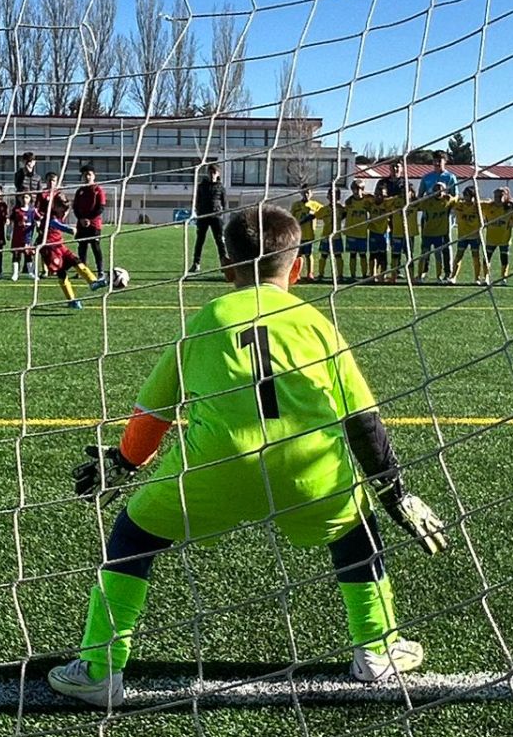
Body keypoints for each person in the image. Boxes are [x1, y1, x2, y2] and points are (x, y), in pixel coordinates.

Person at [52, 204, 449, 707]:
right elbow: (363, 420)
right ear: (298, 265)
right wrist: (395, 490)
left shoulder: (205, 319)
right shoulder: (315, 323)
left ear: (226, 265)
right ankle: (376, 651)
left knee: (132, 537)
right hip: (310, 472)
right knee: (357, 533)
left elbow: (152, 415)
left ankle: (99, 668)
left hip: (216, 469)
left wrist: (124, 463)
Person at [37, 204, 103, 308]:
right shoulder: (50, 217)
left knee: (75, 260)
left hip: (60, 245)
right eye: (63, 210)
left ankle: (93, 282)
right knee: (61, 273)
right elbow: (56, 225)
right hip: (50, 249)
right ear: (56, 207)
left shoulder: (58, 214)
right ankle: (71, 300)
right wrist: (69, 229)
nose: (65, 213)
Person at [189, 162, 228, 274]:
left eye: (214, 173)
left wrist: (222, 213)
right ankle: (196, 264)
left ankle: (224, 264)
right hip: (203, 217)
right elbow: (197, 201)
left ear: (218, 174)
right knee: (200, 241)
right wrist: (198, 211)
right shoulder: (201, 186)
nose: (212, 175)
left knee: (220, 241)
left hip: (216, 217)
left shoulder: (221, 187)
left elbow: (225, 203)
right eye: (210, 172)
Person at [446, 183, 486, 285]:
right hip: (462, 236)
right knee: (459, 256)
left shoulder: (479, 206)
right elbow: (450, 201)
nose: (466, 198)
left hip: (475, 236)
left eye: (468, 195)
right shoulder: (459, 205)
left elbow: (493, 204)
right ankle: (453, 277)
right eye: (465, 195)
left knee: (475, 256)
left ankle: (477, 278)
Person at [72, 164, 108, 274]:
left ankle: (100, 271)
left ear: (94, 176)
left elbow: (100, 208)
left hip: (93, 225)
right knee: (82, 248)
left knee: (96, 247)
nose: (87, 177)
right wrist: (81, 219)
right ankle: (82, 271)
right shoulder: (80, 191)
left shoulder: (98, 190)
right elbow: (75, 208)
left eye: (89, 174)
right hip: (81, 224)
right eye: (84, 175)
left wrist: (89, 219)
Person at [415, 179, 454, 281]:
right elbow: (417, 205)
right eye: (436, 189)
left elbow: (457, 199)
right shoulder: (428, 201)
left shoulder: (448, 200)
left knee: (438, 256)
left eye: (441, 189)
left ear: (445, 191)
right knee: (424, 254)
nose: (438, 191)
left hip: (440, 234)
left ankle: (438, 276)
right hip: (428, 232)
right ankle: (419, 275)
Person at [481, 186, 513, 284]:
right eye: (496, 196)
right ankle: (486, 277)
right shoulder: (488, 206)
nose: (498, 198)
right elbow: (476, 204)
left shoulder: (509, 207)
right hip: (491, 238)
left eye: (500, 196)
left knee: (504, 258)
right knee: (487, 257)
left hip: (504, 238)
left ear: (505, 196)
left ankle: (503, 278)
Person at [341, 180, 373, 282]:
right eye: (355, 189)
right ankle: (352, 275)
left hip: (362, 232)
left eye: (360, 189)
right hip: (351, 232)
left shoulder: (368, 200)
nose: (357, 191)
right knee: (352, 254)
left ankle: (364, 275)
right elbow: (344, 213)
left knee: (363, 254)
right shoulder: (349, 202)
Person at [290, 183, 324, 274]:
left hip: (310, 234)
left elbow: (325, 213)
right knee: (298, 255)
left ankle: (310, 273)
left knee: (309, 255)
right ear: (301, 193)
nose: (306, 195)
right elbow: (292, 218)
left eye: (308, 192)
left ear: (312, 193)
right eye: (304, 192)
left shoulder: (316, 205)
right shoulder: (296, 205)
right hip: (299, 234)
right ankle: (296, 274)